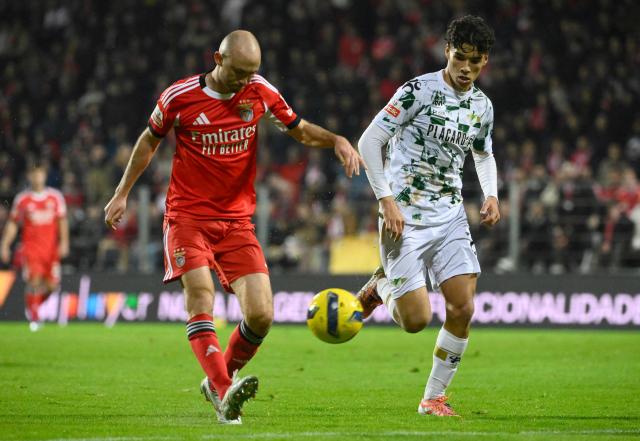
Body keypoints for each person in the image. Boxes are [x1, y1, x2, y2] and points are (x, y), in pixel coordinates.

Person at [103, 30, 364, 424]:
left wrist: (337, 140)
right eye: (240, 72)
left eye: (252, 73)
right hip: (187, 217)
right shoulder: (180, 97)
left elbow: (299, 128)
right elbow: (147, 142)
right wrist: (122, 193)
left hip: (237, 222)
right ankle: (225, 392)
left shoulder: (259, 91)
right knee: (202, 296)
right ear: (217, 59)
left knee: (261, 315)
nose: (246, 81)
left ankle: (217, 382)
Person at [355, 15, 500, 417]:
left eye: (475, 60)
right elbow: (370, 142)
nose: (466, 68)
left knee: (463, 307)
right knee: (415, 320)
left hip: (450, 216)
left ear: (485, 60)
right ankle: (380, 289)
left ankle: (433, 397)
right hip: (404, 217)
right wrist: (386, 200)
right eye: (460, 58)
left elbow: (483, 152)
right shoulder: (417, 91)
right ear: (447, 52)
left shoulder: (482, 107)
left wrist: (491, 195)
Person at [1, 162, 69, 332]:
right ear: (29, 177)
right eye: (34, 174)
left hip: (51, 250)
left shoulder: (55, 197)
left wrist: (64, 242)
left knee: (53, 286)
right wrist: (5, 245)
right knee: (34, 282)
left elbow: (62, 222)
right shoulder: (22, 199)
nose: (37, 177)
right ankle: (35, 318)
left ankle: (34, 305)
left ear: (44, 176)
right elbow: (13, 224)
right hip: (31, 249)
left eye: (40, 174)